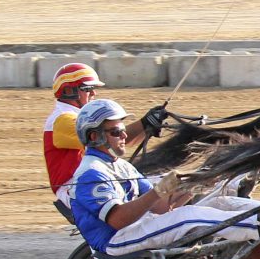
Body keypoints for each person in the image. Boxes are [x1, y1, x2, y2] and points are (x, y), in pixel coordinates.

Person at [69, 99, 260, 257]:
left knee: (218, 200)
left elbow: (161, 208)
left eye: (121, 130)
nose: (124, 136)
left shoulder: (122, 167)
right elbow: (118, 220)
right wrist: (157, 191)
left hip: (140, 227)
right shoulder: (91, 172)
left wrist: (194, 185)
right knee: (188, 216)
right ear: (94, 136)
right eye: (116, 132)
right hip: (117, 240)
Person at [42, 62, 167, 212]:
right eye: (88, 89)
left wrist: (146, 128)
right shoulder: (63, 119)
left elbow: (120, 141)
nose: (94, 94)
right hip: (77, 188)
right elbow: (109, 139)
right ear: (69, 91)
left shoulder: (77, 116)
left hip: (96, 177)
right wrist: (144, 123)